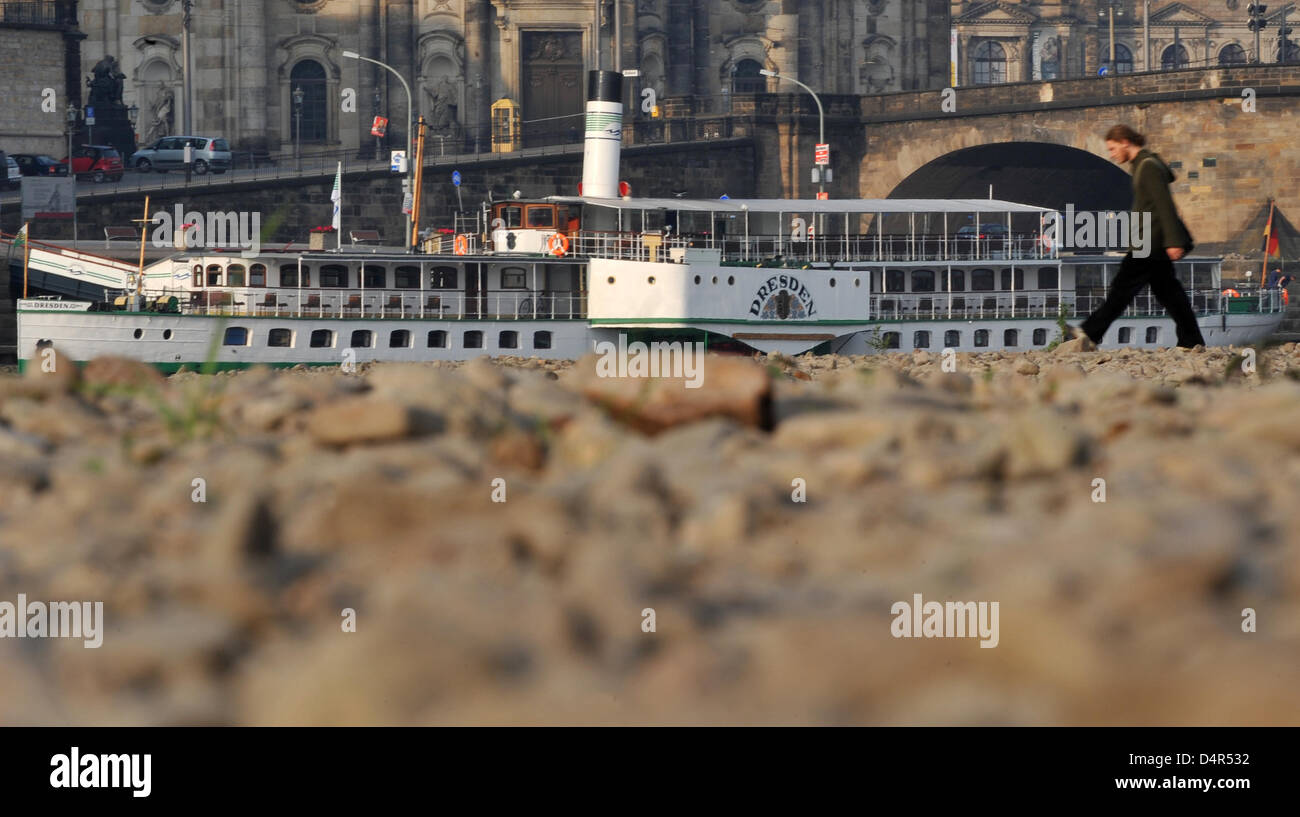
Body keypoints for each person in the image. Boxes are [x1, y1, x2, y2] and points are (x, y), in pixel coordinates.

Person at [1069, 125, 1206, 349]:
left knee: (1121, 289)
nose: (1111, 155)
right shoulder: (1143, 165)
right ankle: (1192, 340)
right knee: (1171, 295)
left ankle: (1090, 332)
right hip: (1151, 241)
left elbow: (1165, 205)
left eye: (1113, 149)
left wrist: (1173, 241)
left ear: (1125, 142)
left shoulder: (1147, 167)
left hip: (1150, 243)